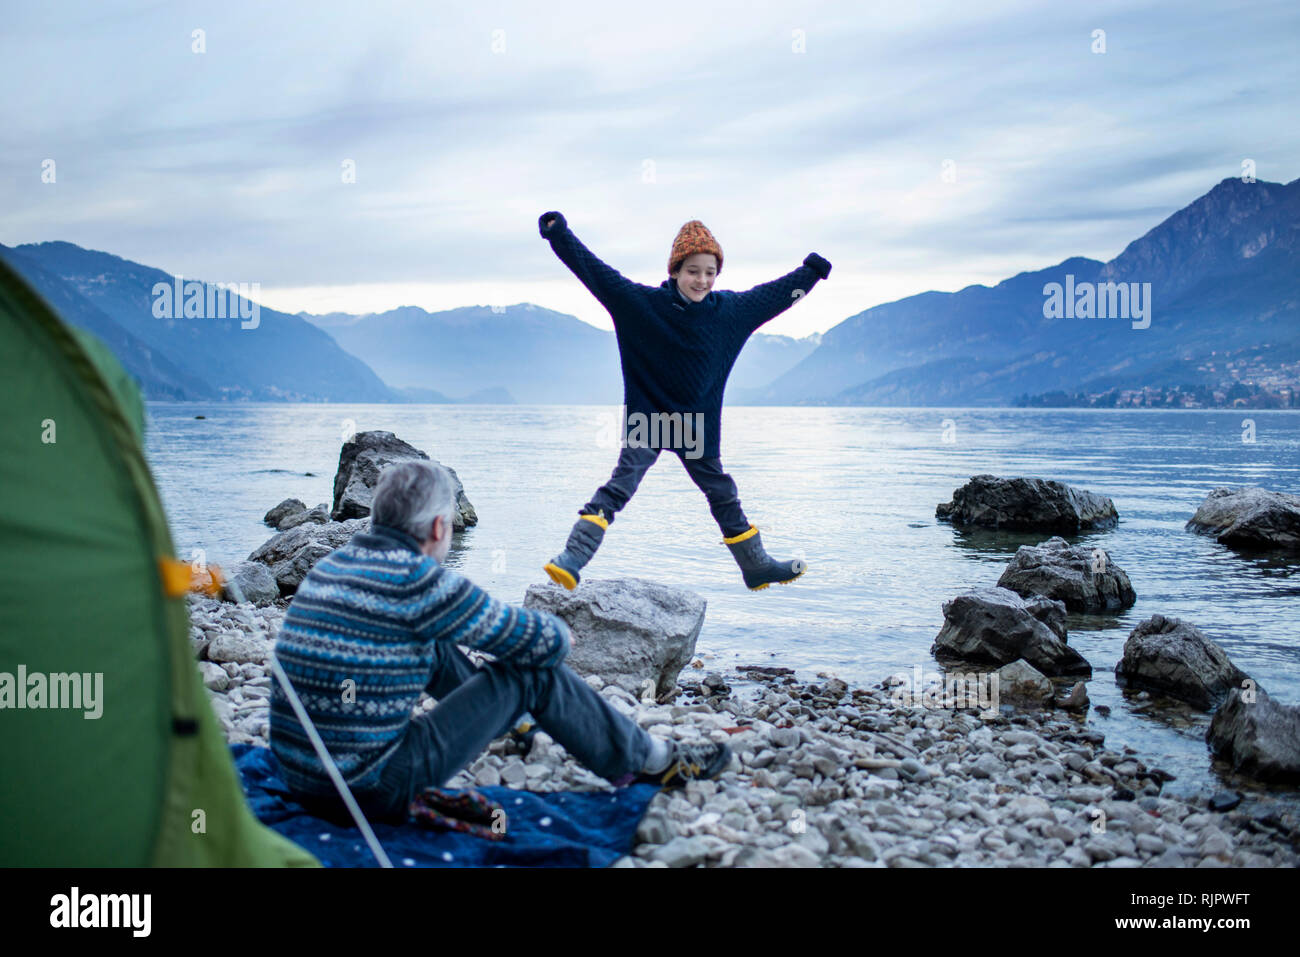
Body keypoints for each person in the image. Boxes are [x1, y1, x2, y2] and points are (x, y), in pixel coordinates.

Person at [269, 460, 731, 824]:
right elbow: (544, 646)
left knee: (430, 643)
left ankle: (517, 727)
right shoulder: (418, 581)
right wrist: (555, 630)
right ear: (437, 529)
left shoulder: (330, 567)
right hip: (368, 789)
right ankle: (650, 760)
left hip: (297, 774)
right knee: (531, 675)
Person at [538, 210, 832, 591]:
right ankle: (572, 558)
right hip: (650, 418)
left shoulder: (730, 313)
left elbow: (775, 297)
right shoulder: (640, 304)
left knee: (722, 493)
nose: (702, 280)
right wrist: (559, 235)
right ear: (676, 270)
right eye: (694, 270)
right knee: (621, 485)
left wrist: (811, 273)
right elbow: (593, 271)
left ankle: (756, 566)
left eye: (710, 271)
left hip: (697, 427)